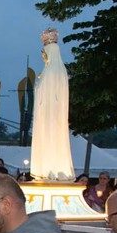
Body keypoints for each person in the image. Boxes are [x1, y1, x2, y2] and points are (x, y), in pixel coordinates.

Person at [30, 28, 75, 180]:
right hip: (51, 115)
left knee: (50, 138)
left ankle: (51, 170)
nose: (43, 56)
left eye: (45, 53)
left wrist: (38, 83)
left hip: (50, 114)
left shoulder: (51, 72)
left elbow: (44, 92)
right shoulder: (60, 71)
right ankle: (50, 168)